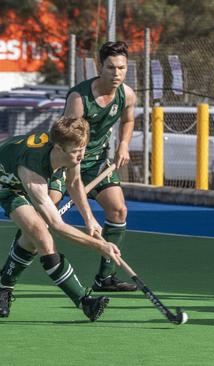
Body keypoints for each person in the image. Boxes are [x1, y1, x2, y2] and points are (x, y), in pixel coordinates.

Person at [0, 116, 123, 321]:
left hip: (49, 169)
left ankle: (3, 287)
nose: (81, 156)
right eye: (76, 152)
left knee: (33, 233)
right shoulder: (33, 175)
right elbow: (57, 225)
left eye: (82, 149)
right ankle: (84, 301)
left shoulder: (71, 151)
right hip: (8, 183)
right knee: (42, 234)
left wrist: (89, 219)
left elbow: (74, 183)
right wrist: (99, 246)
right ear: (58, 147)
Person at [48, 41, 137, 291]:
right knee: (42, 218)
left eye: (121, 68)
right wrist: (71, 169)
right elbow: (66, 139)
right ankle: (10, 277)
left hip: (96, 163)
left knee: (118, 211)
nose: (116, 73)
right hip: (65, 162)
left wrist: (123, 145)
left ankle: (104, 278)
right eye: (111, 68)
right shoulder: (79, 98)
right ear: (100, 67)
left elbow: (129, 119)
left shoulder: (127, 94)